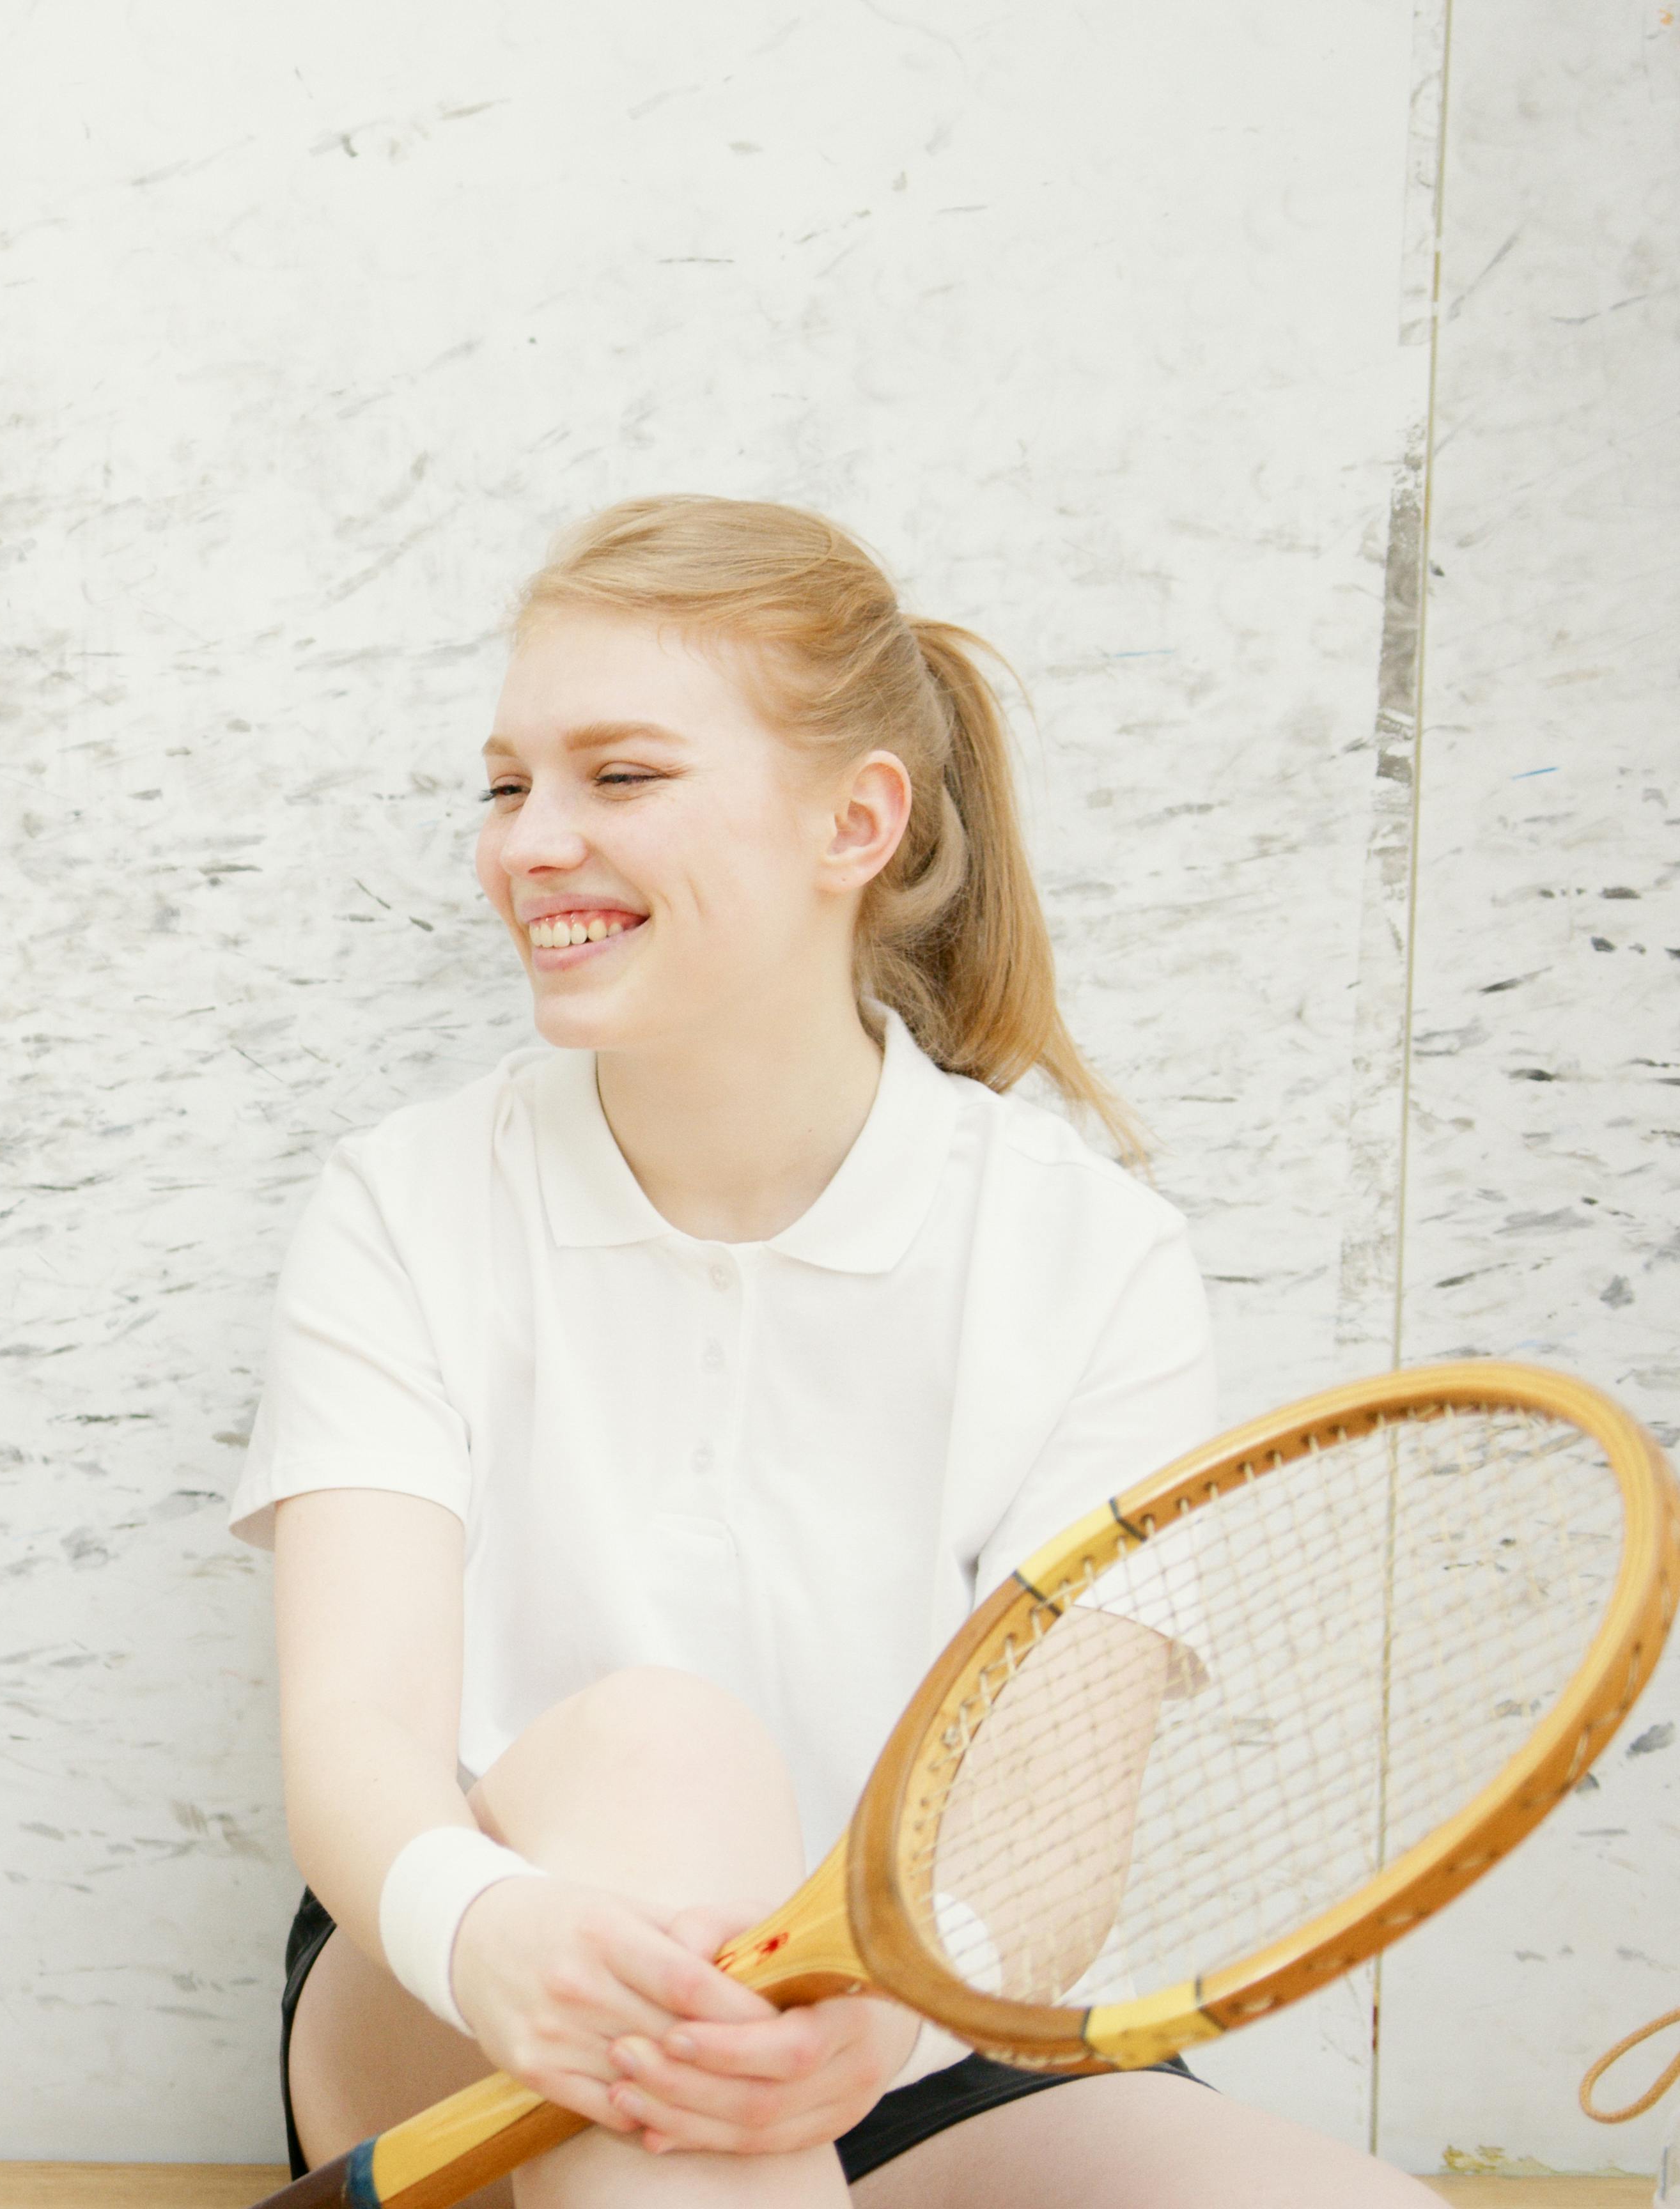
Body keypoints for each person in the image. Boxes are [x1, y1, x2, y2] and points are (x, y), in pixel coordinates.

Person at [240, 497, 1436, 2208]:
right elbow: (355, 1740)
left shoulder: (1089, 1257)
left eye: (619, 776)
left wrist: (872, 2013)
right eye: (509, 785)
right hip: (465, 1996)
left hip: (925, 2028)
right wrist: (495, 1933)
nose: (527, 844)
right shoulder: (404, 1203)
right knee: (664, 1752)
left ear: (856, 820)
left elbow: (1048, 1834)